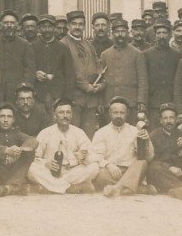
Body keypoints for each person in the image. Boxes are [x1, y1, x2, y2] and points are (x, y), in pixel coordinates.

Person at [28, 98, 99, 194]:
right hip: (51, 172)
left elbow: (92, 154)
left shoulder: (79, 132)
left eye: (68, 112)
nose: (65, 116)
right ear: (55, 116)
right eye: (61, 112)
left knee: (94, 167)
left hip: (73, 172)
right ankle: (69, 188)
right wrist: (46, 163)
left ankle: (54, 187)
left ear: (72, 115)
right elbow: (35, 157)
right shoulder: (45, 133)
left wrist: (83, 157)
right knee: (31, 169)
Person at [90, 97, 154, 198]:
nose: (118, 116)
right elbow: (96, 156)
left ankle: (116, 188)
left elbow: (149, 157)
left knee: (142, 162)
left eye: (122, 112)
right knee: (99, 174)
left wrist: (147, 141)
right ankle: (135, 187)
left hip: (131, 170)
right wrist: (108, 165)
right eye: (115, 112)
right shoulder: (101, 132)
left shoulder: (135, 131)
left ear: (127, 113)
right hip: (110, 172)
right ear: (110, 113)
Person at [60, 10, 105, 139]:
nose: (77, 27)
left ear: (84, 26)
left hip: (91, 100)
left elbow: (98, 67)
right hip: (74, 99)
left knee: (88, 136)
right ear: (68, 26)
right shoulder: (63, 44)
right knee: (72, 134)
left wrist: (100, 85)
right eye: (74, 24)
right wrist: (86, 86)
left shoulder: (88, 45)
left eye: (81, 24)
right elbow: (70, 71)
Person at [146, 103, 182, 200]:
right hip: (164, 172)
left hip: (180, 172)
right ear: (160, 120)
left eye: (171, 118)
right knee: (153, 168)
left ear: (176, 120)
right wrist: (169, 167)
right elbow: (151, 159)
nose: (168, 121)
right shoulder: (154, 136)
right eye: (165, 118)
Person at [100, 19, 149, 123]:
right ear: (112, 34)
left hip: (131, 103)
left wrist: (142, 102)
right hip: (110, 103)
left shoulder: (137, 54)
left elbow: (143, 79)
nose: (120, 34)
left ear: (127, 32)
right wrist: (101, 102)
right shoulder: (105, 54)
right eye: (117, 32)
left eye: (123, 31)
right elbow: (101, 80)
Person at [0, 10, 36, 104]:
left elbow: (29, 70)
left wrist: (24, 89)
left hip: (17, 91)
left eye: (12, 23)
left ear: (17, 25)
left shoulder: (25, 45)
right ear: (0, 25)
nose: (9, 25)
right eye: (6, 23)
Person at [31, 14, 74, 109]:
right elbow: (27, 67)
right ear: (39, 28)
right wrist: (35, 73)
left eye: (50, 26)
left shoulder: (63, 48)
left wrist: (66, 98)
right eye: (44, 27)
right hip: (37, 94)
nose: (47, 30)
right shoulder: (32, 47)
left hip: (57, 95)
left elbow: (69, 74)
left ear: (54, 28)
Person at [143, 19, 181, 121]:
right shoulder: (147, 54)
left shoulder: (176, 54)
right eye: (158, 33)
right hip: (153, 101)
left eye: (164, 33)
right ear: (155, 35)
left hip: (171, 99)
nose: (161, 36)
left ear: (169, 35)